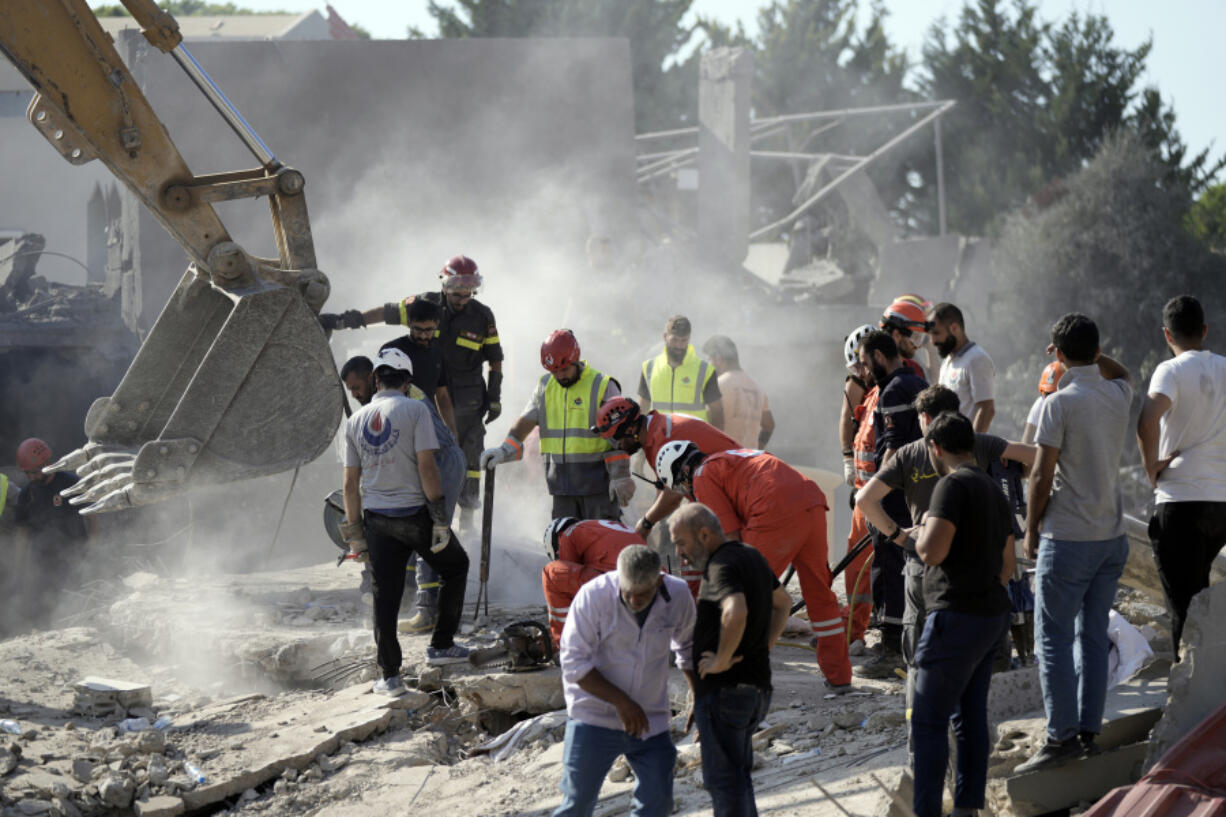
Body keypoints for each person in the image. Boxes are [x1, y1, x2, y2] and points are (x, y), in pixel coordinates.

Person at [857, 386, 1034, 739]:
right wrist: (1023, 477)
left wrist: (899, 537)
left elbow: (864, 498)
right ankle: (984, 734)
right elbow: (1036, 455)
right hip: (980, 570)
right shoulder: (979, 444)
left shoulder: (910, 453)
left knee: (921, 663)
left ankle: (920, 739)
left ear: (924, 420)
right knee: (987, 657)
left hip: (924, 569)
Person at [1017, 313, 1132, 771]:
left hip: (1068, 539)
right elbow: (1123, 372)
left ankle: (1059, 738)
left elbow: (1042, 473)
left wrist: (1030, 528)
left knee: (1053, 639)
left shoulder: (1056, 405)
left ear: (1057, 355)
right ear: (1098, 351)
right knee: (1091, 635)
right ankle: (1087, 732)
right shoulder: (1118, 394)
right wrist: (1093, 356)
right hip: (1112, 538)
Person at [321, 254, 503, 529]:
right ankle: (421, 512)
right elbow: (387, 312)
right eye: (456, 292)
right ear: (444, 284)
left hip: (469, 397)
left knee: (469, 457)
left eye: (467, 293)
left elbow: (495, 358)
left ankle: (466, 519)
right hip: (428, 396)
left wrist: (495, 396)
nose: (462, 298)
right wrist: (347, 320)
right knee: (421, 453)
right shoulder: (423, 305)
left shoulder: (482, 316)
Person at [655, 441, 851, 689]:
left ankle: (737, 675)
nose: (687, 492)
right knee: (820, 594)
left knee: (741, 594)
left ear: (683, 471)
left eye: (682, 486)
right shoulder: (731, 458)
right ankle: (840, 677)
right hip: (812, 501)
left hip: (774, 508)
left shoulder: (702, 475)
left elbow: (731, 540)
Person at [339, 348, 471, 691]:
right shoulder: (415, 409)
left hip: (377, 520)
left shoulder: (355, 421)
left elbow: (350, 485)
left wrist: (355, 536)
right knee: (455, 567)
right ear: (407, 381)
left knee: (386, 596)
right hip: (414, 516)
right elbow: (427, 467)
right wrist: (440, 519)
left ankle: (391, 677)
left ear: (375, 379)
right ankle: (441, 645)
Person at [910, 412, 1015, 817]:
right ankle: (967, 808)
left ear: (935, 447)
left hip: (954, 617)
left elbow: (933, 552)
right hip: (991, 617)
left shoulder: (950, 486)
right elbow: (1008, 566)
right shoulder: (992, 488)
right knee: (970, 720)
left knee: (929, 721)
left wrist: (920, 535)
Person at [555, 545, 695, 817]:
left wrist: (698, 695)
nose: (633, 600)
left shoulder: (676, 595)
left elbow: (688, 648)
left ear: (659, 580)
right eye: (627, 592)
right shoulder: (593, 597)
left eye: (642, 595)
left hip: (649, 719)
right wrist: (622, 702)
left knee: (657, 804)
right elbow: (574, 663)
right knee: (577, 805)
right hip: (592, 718)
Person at [670, 503, 791, 817]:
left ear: (705, 534)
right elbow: (784, 604)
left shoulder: (719, 566)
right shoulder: (751, 555)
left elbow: (735, 610)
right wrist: (763, 647)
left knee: (725, 783)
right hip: (755, 691)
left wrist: (722, 660)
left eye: (681, 543)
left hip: (726, 692)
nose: (680, 553)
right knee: (738, 779)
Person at [1136, 295, 1226, 659]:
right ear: (1204, 330)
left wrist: (1151, 466)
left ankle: (1189, 707)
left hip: (1182, 501)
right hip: (1222, 503)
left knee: (1185, 611)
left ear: (1166, 334)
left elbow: (1146, 419)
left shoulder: (1170, 370)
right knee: (1204, 602)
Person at [590, 396, 738, 594]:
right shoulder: (657, 430)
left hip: (736, 491)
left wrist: (646, 523)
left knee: (700, 551)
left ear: (631, 429)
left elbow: (675, 493)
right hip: (726, 490)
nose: (616, 446)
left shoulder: (663, 439)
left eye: (615, 439)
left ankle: (701, 609)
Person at [481, 330, 632, 521]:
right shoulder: (545, 386)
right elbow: (526, 420)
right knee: (564, 547)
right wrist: (505, 449)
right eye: (555, 371)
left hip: (598, 490)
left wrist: (621, 476)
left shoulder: (602, 385)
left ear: (575, 359)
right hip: (561, 488)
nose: (560, 376)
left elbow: (621, 436)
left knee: (599, 546)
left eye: (564, 369)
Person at [856, 330, 927, 679]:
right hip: (913, 490)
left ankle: (892, 650)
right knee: (901, 566)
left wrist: (875, 494)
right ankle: (905, 642)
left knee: (890, 565)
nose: (865, 370)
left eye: (867, 362)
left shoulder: (896, 388)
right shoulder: (914, 382)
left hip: (896, 495)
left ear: (881, 357)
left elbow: (894, 447)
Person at [13, 437, 91, 628]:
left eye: (34, 471)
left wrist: (93, 547)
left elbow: (92, 516)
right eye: (27, 473)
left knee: (74, 603)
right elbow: (23, 533)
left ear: (47, 464)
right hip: (43, 562)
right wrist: (19, 565)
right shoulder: (26, 495)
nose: (31, 477)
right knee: (44, 607)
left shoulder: (71, 484)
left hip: (73, 557)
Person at [542, 517, 645, 646]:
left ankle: (566, 645)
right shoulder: (603, 529)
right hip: (656, 587)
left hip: (623, 590)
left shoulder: (567, 534)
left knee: (551, 573)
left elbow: (572, 591)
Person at [839, 324, 878, 651]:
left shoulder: (890, 390)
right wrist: (849, 462)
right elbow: (848, 424)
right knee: (858, 562)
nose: (860, 375)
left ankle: (864, 626)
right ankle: (855, 628)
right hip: (867, 492)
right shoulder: (858, 386)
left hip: (882, 493)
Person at [379, 297, 459, 434]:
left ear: (437, 324)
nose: (423, 336)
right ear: (409, 323)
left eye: (428, 330)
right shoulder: (391, 351)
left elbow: (442, 396)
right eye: (417, 330)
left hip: (426, 425)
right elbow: (378, 394)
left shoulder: (437, 352)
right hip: (394, 427)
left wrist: (452, 431)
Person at [637, 315, 724, 428]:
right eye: (674, 339)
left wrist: (716, 443)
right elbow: (642, 409)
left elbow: (717, 412)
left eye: (684, 340)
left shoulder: (705, 370)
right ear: (665, 337)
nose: (679, 345)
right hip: (659, 441)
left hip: (693, 441)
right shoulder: (649, 367)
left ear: (689, 339)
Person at [929, 303, 996, 431]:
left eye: (936, 333)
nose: (932, 341)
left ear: (955, 328)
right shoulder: (948, 361)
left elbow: (987, 409)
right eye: (930, 335)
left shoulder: (977, 359)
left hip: (964, 448)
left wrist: (971, 447)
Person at [700, 335, 774, 449]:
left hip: (726, 458)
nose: (709, 364)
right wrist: (757, 449)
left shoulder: (718, 385)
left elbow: (712, 422)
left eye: (709, 359)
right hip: (750, 460)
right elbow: (769, 425)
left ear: (719, 358)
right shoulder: (757, 388)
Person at [1022, 362, 1065, 445]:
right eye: (1047, 393)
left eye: (1054, 394)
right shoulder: (1040, 404)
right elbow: (1027, 443)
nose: (1050, 399)